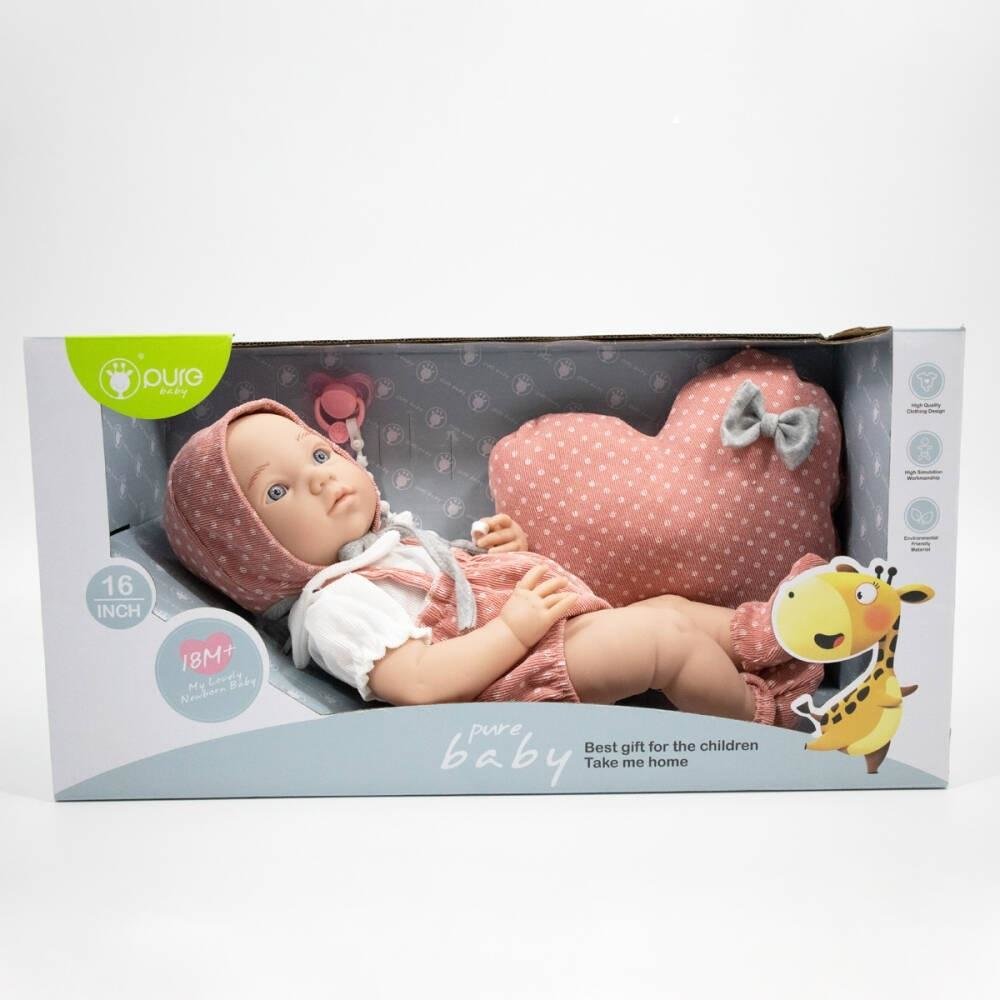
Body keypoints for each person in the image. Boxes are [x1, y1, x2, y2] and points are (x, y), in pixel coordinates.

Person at [164, 399, 823, 726]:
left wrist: (503, 557)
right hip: (509, 690)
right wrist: (514, 627)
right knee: (662, 642)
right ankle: (761, 723)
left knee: (666, 610)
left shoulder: (388, 547)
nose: (317, 478)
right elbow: (419, 682)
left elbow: (457, 594)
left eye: (316, 454)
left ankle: (772, 631)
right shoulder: (332, 606)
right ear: (252, 550)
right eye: (277, 493)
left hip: (535, 645)